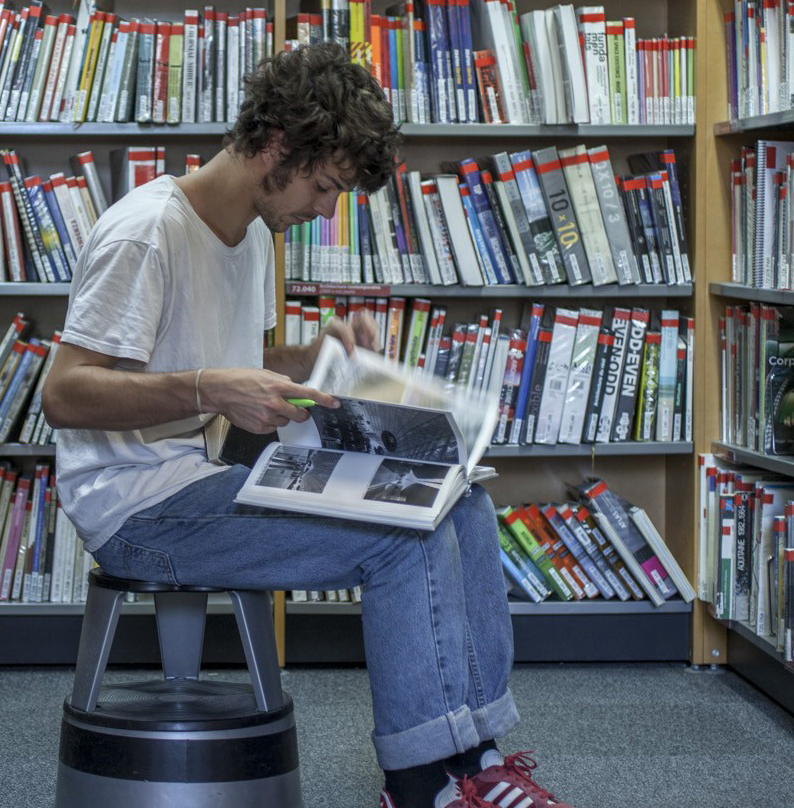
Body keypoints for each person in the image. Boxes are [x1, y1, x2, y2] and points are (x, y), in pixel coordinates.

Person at [42, 42, 575, 808]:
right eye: (324, 186)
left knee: (463, 501)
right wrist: (208, 390)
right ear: (273, 147)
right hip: (135, 506)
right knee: (403, 533)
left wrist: (311, 357)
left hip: (204, 481)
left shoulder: (253, 234)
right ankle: (423, 783)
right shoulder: (146, 233)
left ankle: (476, 757)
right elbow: (64, 394)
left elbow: (238, 356)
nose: (326, 210)